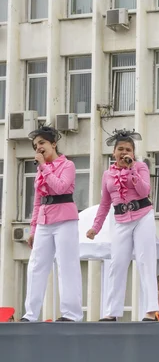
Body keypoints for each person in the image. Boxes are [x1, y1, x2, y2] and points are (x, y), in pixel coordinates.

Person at [86, 129, 159, 322]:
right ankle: (112, 311)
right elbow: (104, 203)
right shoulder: (107, 174)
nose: (124, 152)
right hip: (120, 219)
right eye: (120, 149)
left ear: (133, 153)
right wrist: (96, 227)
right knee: (117, 264)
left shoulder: (141, 166)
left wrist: (132, 169)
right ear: (113, 153)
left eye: (128, 149)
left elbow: (144, 191)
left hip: (143, 215)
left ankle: (151, 310)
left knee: (146, 261)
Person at [21, 126, 83, 322]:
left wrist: (44, 168)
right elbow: (38, 201)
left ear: (53, 144)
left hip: (65, 219)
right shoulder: (41, 171)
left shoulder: (67, 165)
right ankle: (30, 314)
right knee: (36, 266)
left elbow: (61, 187)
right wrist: (33, 229)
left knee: (67, 265)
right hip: (44, 222)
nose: (38, 148)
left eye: (42, 143)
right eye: (35, 145)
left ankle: (71, 314)